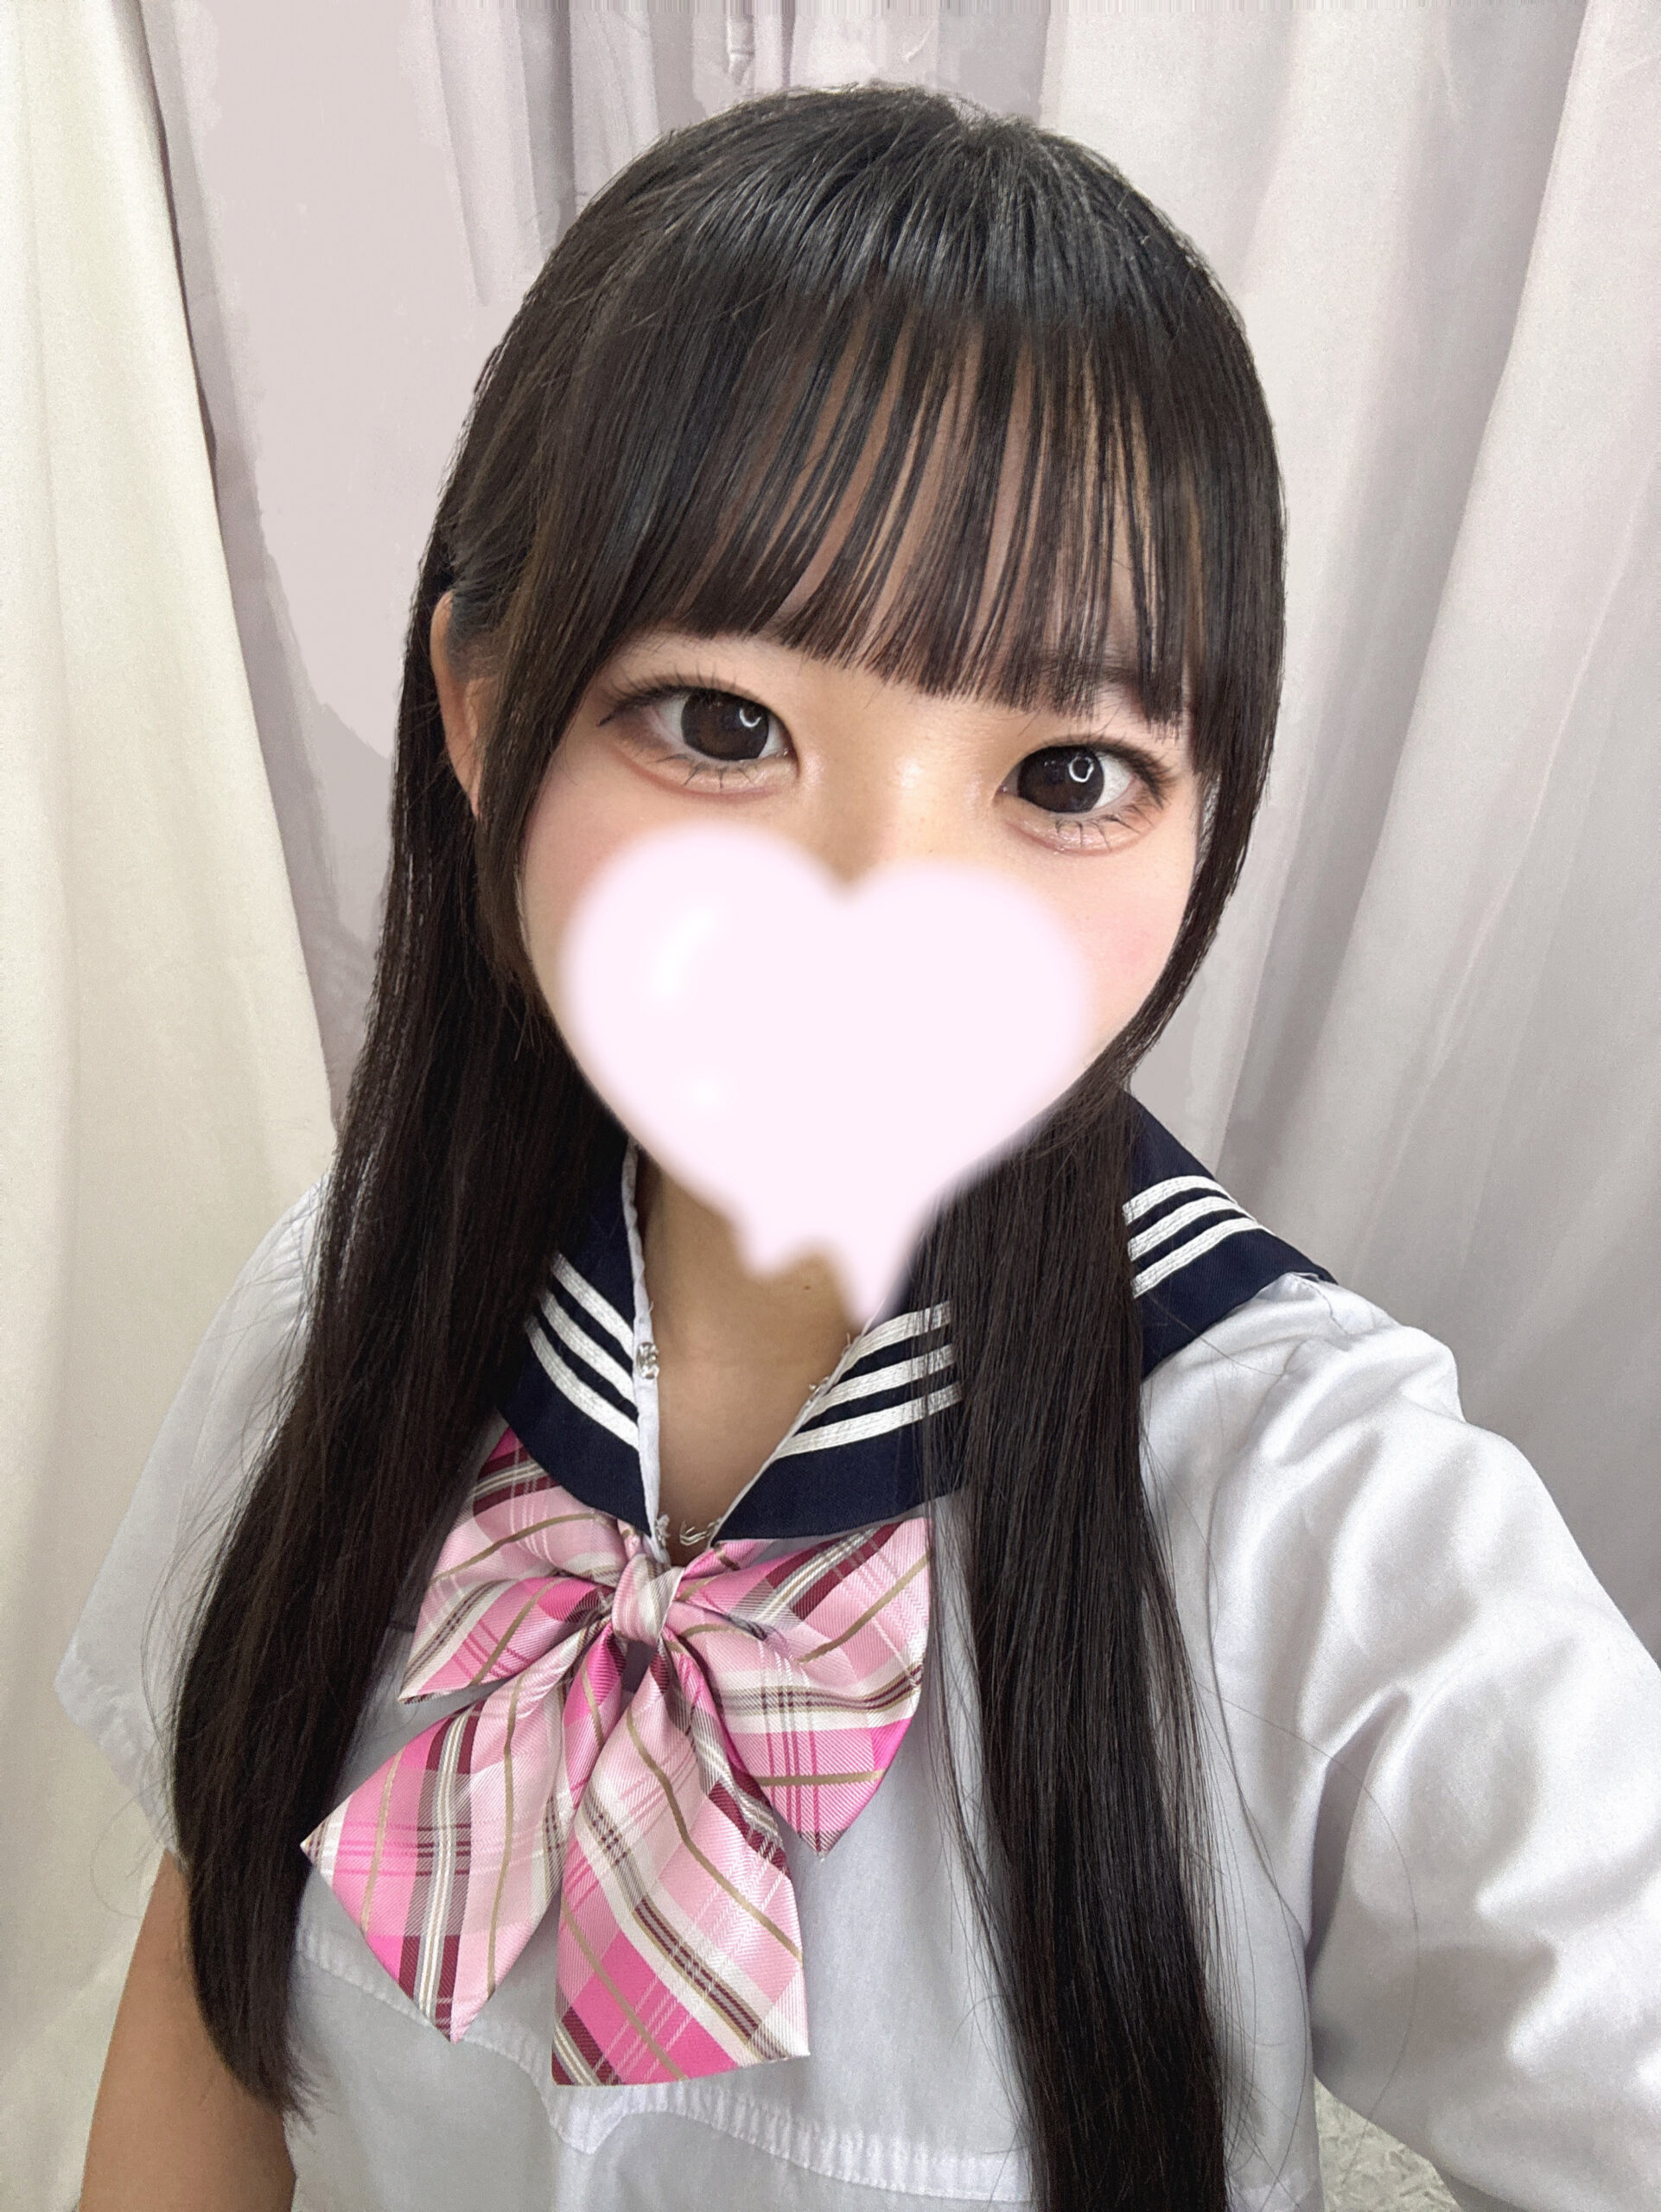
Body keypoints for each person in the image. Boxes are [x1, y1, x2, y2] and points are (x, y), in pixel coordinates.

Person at [59, 85, 1661, 2212]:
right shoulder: (338, 1313)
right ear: (479, 706)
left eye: (1065, 774)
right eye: (723, 723)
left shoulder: (1328, 1527)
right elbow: (207, 1993)